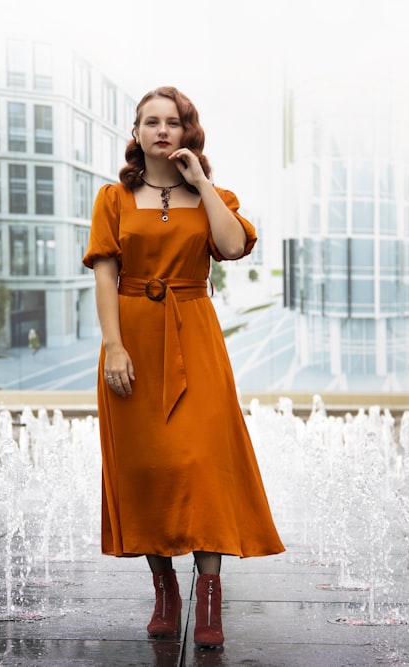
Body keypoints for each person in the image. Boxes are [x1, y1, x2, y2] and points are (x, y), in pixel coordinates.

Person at [82, 86, 284, 649]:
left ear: (188, 132)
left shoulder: (213, 195)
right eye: (151, 122)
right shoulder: (112, 200)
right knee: (147, 469)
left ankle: (211, 597)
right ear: (137, 132)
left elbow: (233, 245)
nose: (162, 130)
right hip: (133, 340)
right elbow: (104, 274)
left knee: (201, 464)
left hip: (194, 333)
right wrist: (113, 346)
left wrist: (200, 185)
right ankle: (165, 590)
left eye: (173, 122)